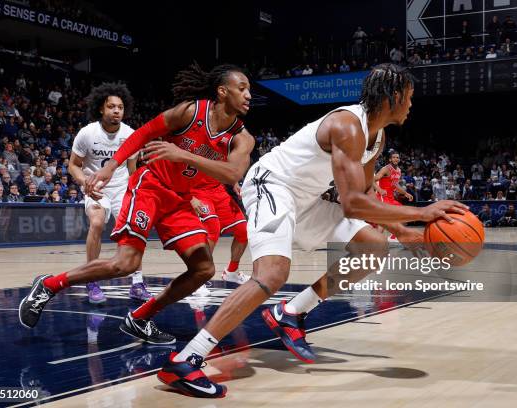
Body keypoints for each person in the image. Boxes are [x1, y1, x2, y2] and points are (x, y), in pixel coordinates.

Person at [160, 64, 466, 398]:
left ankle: (290, 313)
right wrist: (421, 212)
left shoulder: (376, 138)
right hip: (271, 185)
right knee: (272, 273)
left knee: (374, 247)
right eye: (408, 97)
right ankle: (186, 359)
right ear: (392, 97)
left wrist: (403, 230)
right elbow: (351, 204)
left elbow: (363, 195)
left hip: (304, 200)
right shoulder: (348, 125)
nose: (411, 104)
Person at [19, 64, 254, 353]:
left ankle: (140, 318)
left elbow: (231, 174)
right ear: (222, 91)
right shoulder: (190, 112)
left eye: (249, 90)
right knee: (125, 264)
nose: (248, 95)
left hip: (180, 199)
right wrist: (111, 166)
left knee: (203, 269)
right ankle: (50, 285)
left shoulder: (243, 138)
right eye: (242, 88)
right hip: (150, 186)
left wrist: (183, 155)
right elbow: (144, 133)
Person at [69, 83, 150, 304]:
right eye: (111, 107)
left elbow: (132, 169)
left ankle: (137, 283)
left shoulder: (130, 135)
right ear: (101, 109)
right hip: (95, 187)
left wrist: (137, 192)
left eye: (120, 107)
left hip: (122, 188)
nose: (116, 111)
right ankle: (92, 280)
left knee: (133, 230)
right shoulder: (87, 133)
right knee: (96, 223)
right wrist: (85, 182)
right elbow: (73, 165)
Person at [373, 150, 413, 242]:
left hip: (391, 198)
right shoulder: (386, 169)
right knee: (384, 221)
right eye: (394, 157)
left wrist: (405, 193)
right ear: (390, 159)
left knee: (403, 216)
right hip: (382, 197)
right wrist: (379, 190)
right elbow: (372, 180)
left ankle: (392, 237)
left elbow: (395, 185)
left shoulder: (398, 170)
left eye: (397, 157)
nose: (396, 159)